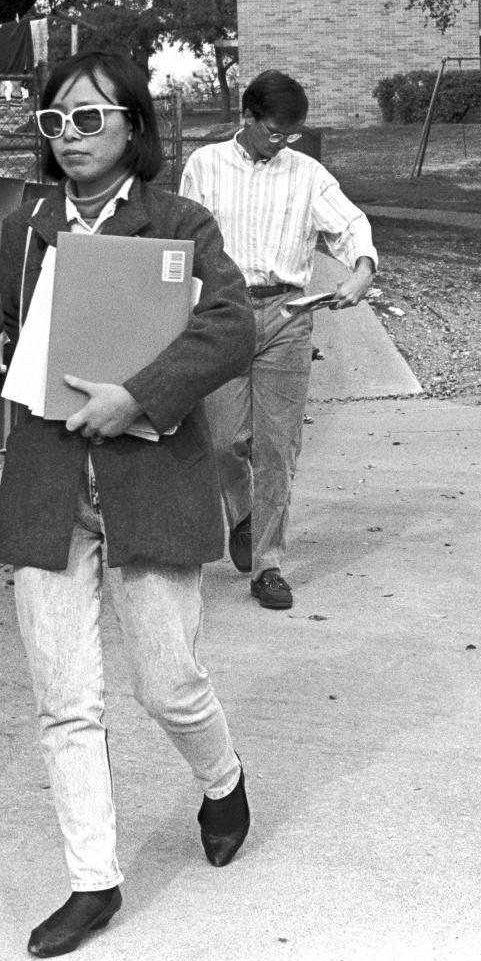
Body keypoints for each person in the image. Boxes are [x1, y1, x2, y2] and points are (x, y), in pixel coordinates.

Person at [0, 51, 256, 959]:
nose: (72, 136)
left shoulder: (181, 221)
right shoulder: (27, 225)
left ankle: (224, 778)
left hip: (149, 480)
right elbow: (12, 343)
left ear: (132, 127)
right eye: (55, 121)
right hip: (47, 485)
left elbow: (230, 325)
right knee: (65, 700)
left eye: (91, 118)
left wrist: (140, 394)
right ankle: (94, 881)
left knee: (167, 683)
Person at [180, 69, 378, 611]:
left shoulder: (308, 173)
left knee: (277, 446)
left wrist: (361, 269)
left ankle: (268, 565)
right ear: (246, 117)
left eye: (291, 134)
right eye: (273, 132)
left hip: (288, 315)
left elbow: (349, 225)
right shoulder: (204, 166)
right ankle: (243, 514)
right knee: (223, 441)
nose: (282, 142)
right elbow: (184, 241)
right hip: (221, 311)